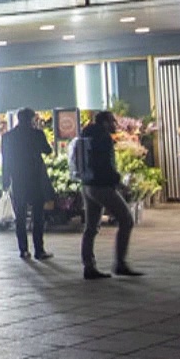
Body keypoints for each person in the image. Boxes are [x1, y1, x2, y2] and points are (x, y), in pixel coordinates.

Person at [75, 110, 141, 279]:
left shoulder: (85, 134)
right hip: (102, 186)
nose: (115, 125)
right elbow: (105, 165)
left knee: (90, 227)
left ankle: (89, 266)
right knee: (126, 220)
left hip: (87, 185)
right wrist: (118, 181)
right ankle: (120, 263)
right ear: (105, 122)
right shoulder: (103, 138)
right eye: (112, 121)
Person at [0, 107, 56, 261]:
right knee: (38, 216)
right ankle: (39, 249)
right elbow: (48, 150)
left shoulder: (8, 137)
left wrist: (5, 181)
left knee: (21, 216)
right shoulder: (37, 134)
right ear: (31, 119)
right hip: (36, 179)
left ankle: (23, 249)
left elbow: (6, 161)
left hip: (19, 180)